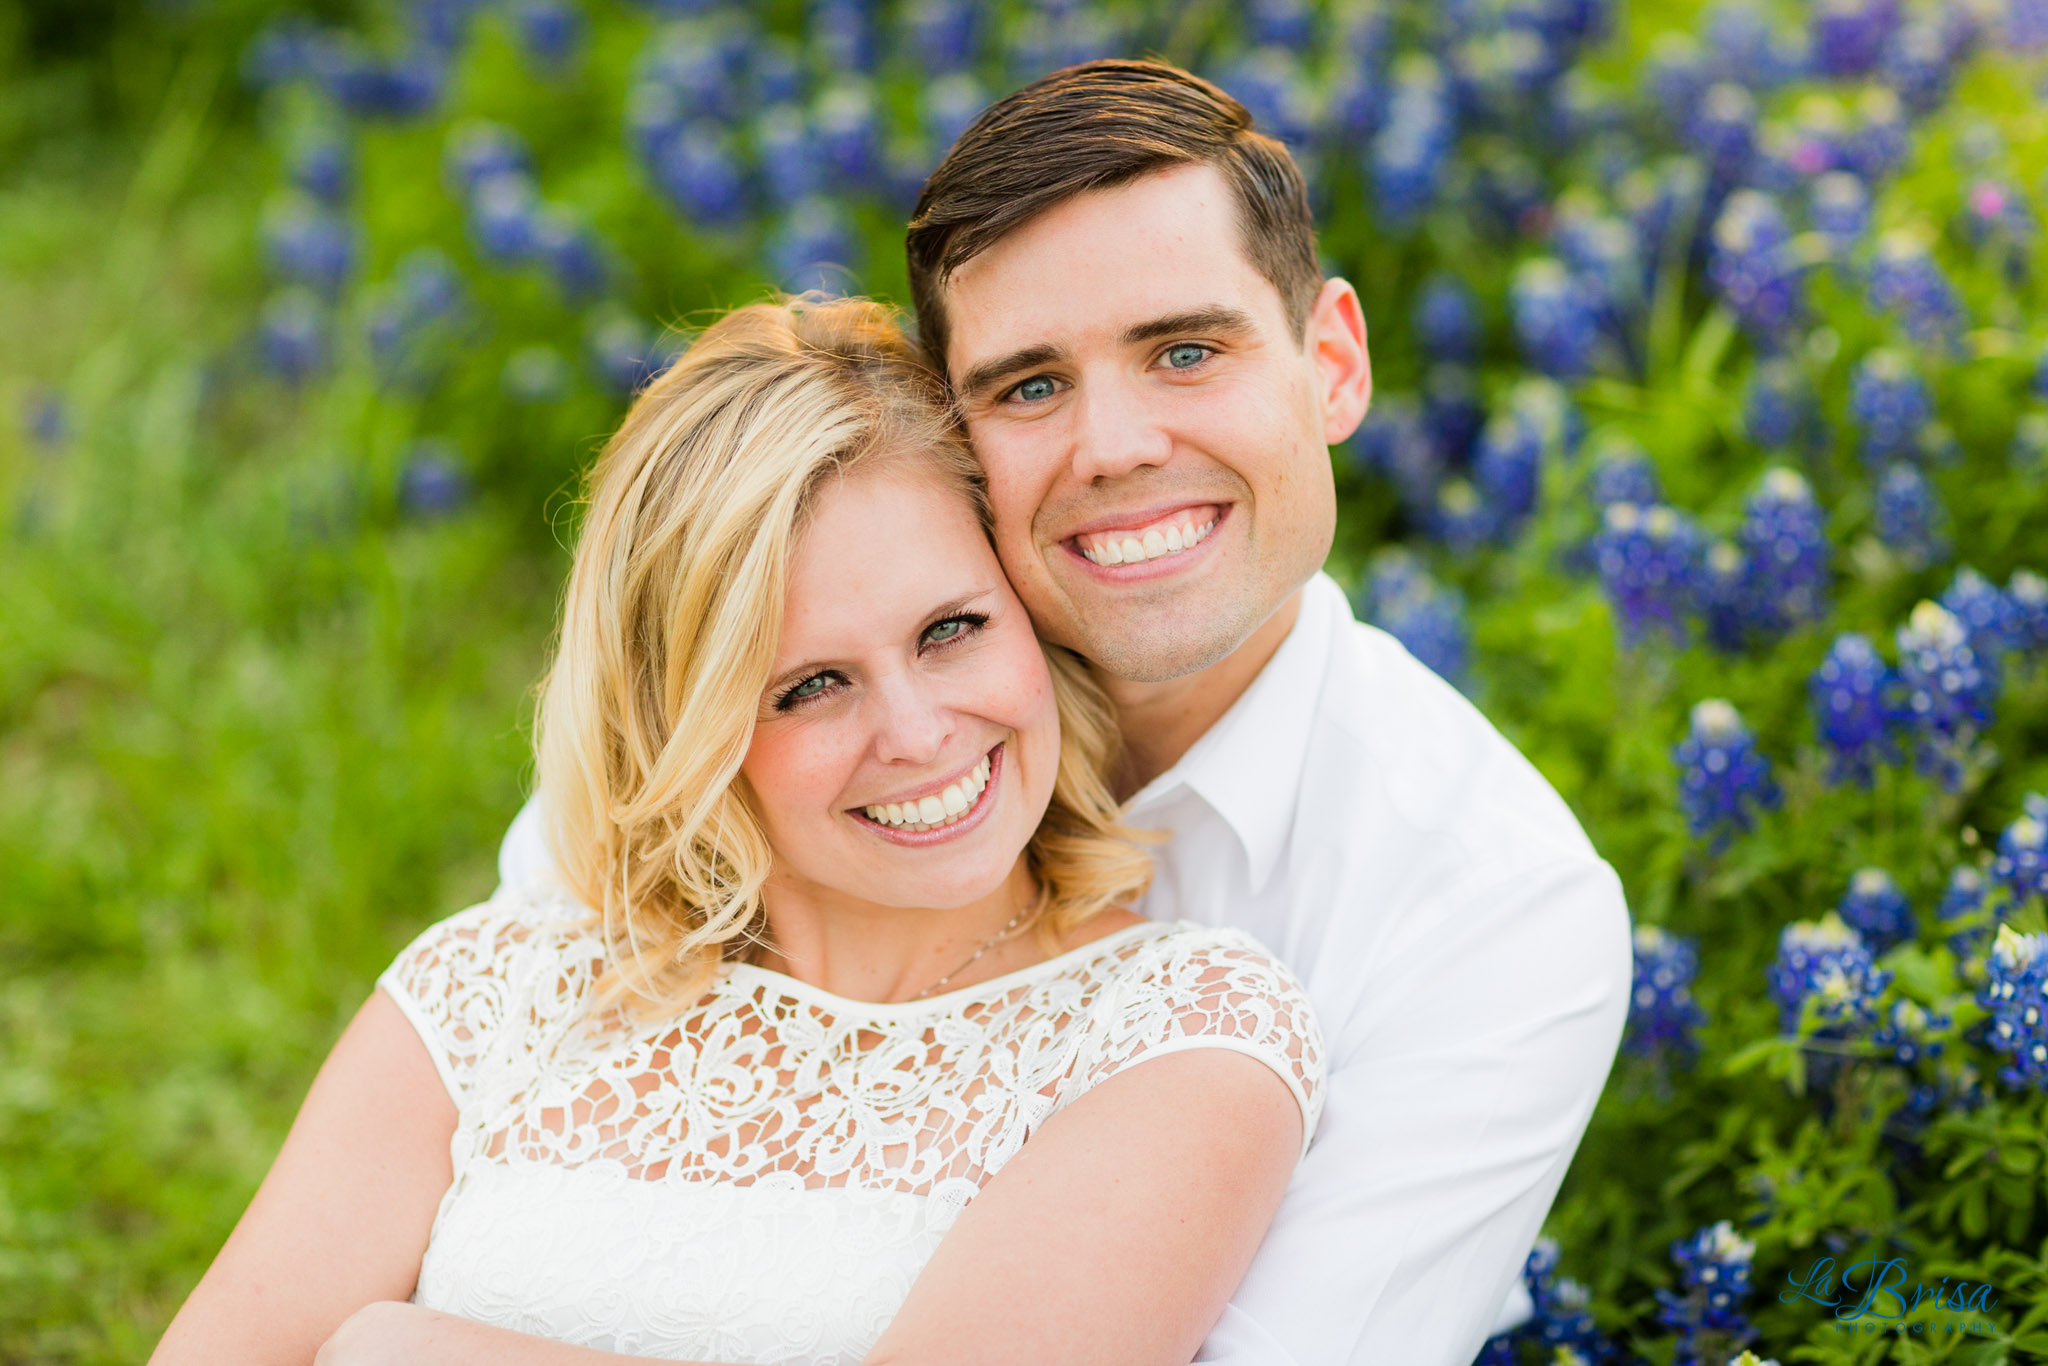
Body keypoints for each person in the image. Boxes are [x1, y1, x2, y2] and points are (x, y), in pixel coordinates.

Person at [498, 58, 1635, 1366]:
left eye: (1187, 350)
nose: (1115, 445)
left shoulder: (1490, 900)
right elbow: (501, 1142)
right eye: (1030, 385)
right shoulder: (769, 738)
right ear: (951, 429)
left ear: (1332, 364)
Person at [149, 295, 1328, 1366]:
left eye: (951, 630)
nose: (917, 734)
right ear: (689, 731)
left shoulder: (1176, 1033)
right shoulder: (491, 992)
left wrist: (396, 1349)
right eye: (809, 685)